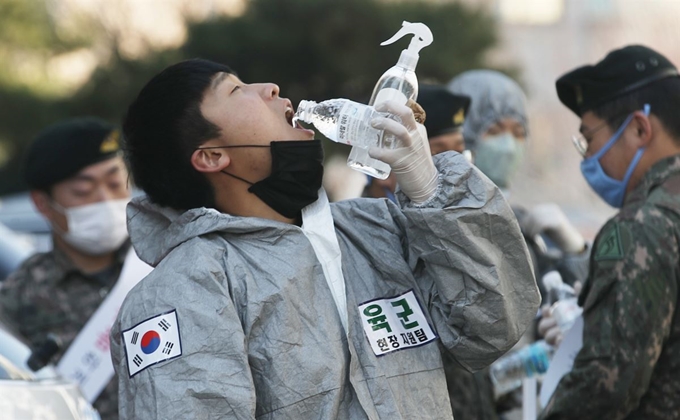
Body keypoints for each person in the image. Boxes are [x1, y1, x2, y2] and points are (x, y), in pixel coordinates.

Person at [109, 58, 540, 419]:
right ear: (211, 157)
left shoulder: (374, 230)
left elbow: (493, 328)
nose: (270, 88)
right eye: (236, 90)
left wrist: (429, 190)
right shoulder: (184, 290)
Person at [538, 45, 680, 419]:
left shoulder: (642, 228)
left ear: (639, 128)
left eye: (589, 138)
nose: (588, 158)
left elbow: (604, 387)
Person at [0, 117, 133, 419]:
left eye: (115, 183)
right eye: (83, 191)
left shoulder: (164, 264)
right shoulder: (19, 296)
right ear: (42, 204)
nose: (105, 199)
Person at [364, 84, 471, 201]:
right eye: (437, 155)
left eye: (459, 154)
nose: (455, 171)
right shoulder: (349, 217)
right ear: (381, 164)